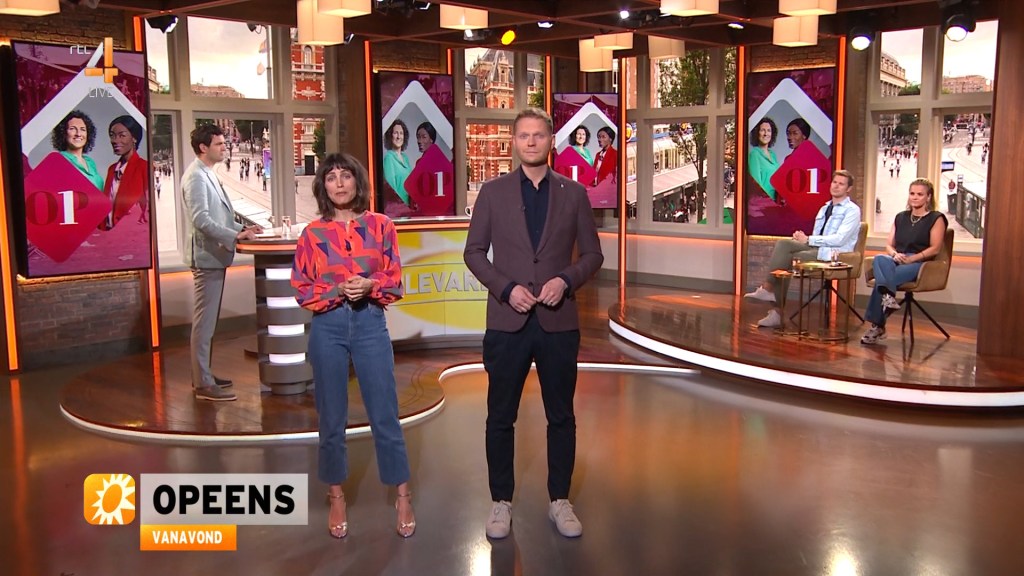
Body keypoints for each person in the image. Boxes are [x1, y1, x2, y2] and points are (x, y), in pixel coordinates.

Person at [464, 107, 604, 540]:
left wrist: (566, 280)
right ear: (514, 142)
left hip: (558, 323)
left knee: (561, 416)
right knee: (499, 417)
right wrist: (506, 289)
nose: (530, 142)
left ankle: (560, 500)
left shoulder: (574, 194)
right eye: (523, 135)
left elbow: (593, 255)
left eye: (538, 135)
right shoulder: (492, 193)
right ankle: (500, 502)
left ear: (551, 141)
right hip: (507, 322)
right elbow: (473, 253)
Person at [291, 152, 416, 539]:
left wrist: (370, 285)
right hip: (327, 328)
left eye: (346, 176)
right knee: (331, 417)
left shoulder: (381, 226)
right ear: (323, 187)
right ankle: (336, 496)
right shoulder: (312, 234)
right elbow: (301, 288)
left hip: (369, 323)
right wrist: (336, 290)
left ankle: (403, 496)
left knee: (385, 413)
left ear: (357, 181)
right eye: (331, 178)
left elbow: (395, 280)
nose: (339, 183)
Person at [181, 124, 261, 401]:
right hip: (206, 258)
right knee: (204, 324)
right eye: (219, 144)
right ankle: (203, 384)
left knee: (208, 323)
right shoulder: (196, 177)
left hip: (214, 257)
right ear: (203, 147)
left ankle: (203, 376)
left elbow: (220, 215)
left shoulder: (207, 173)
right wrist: (235, 235)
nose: (225, 148)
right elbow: (201, 220)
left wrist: (243, 228)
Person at [744, 170, 862, 328]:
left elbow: (840, 239)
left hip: (834, 254)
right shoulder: (824, 208)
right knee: (784, 244)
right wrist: (803, 238)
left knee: (789, 259)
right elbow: (817, 235)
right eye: (835, 182)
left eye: (841, 184)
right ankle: (768, 289)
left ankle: (776, 309)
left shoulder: (852, 210)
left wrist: (808, 239)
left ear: (849, 189)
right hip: (817, 246)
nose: (836, 186)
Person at [861, 179, 948, 345]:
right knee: (880, 258)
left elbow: (935, 248)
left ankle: (877, 325)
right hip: (897, 259)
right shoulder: (900, 217)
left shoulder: (936, 218)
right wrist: (894, 255)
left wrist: (913, 258)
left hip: (919, 262)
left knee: (882, 282)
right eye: (912, 193)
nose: (915, 197)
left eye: (920, 194)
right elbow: (889, 245)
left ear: (928, 197)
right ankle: (888, 297)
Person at [100, 115, 149, 230]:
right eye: (112, 135)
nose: (115, 140)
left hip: (130, 234)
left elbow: (147, 207)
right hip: (108, 234)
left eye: (122, 135)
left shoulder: (144, 167)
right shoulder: (112, 169)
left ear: (134, 138)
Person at [405, 121, 455, 216]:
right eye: (418, 137)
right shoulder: (419, 162)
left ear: (431, 139)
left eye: (424, 137)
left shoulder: (438, 161)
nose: (419, 141)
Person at [50, 110, 104, 191]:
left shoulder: (90, 162)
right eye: (72, 129)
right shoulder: (58, 160)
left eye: (83, 129)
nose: (78, 134)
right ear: (63, 133)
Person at [382, 119, 413, 212]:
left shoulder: (405, 158)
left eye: (401, 133)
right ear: (390, 136)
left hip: (409, 207)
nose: (399, 137)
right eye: (395, 133)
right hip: (397, 209)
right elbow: (391, 188)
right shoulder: (389, 158)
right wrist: (402, 207)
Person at [748, 117, 780, 201]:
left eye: (769, 130)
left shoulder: (773, 155)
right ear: (757, 133)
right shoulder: (754, 154)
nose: (766, 134)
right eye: (762, 130)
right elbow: (756, 184)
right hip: (763, 202)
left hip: (775, 200)